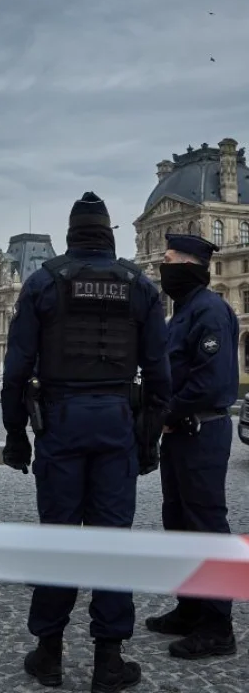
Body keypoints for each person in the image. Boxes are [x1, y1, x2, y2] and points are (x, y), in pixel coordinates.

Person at [1, 193, 172, 693]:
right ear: (110, 234)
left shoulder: (43, 282)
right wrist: (148, 440)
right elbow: (160, 373)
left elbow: (15, 371)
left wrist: (16, 435)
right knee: (112, 541)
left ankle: (49, 653)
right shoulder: (139, 285)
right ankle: (108, 660)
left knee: (58, 538)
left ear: (72, 234)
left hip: (60, 421)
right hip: (118, 420)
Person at [146, 233, 239, 659]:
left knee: (206, 527)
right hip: (182, 433)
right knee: (178, 522)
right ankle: (189, 607)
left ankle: (218, 626)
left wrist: (168, 411)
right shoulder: (183, 312)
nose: (163, 267)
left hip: (200, 430)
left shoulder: (210, 311)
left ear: (189, 265)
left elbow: (212, 382)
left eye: (168, 260)